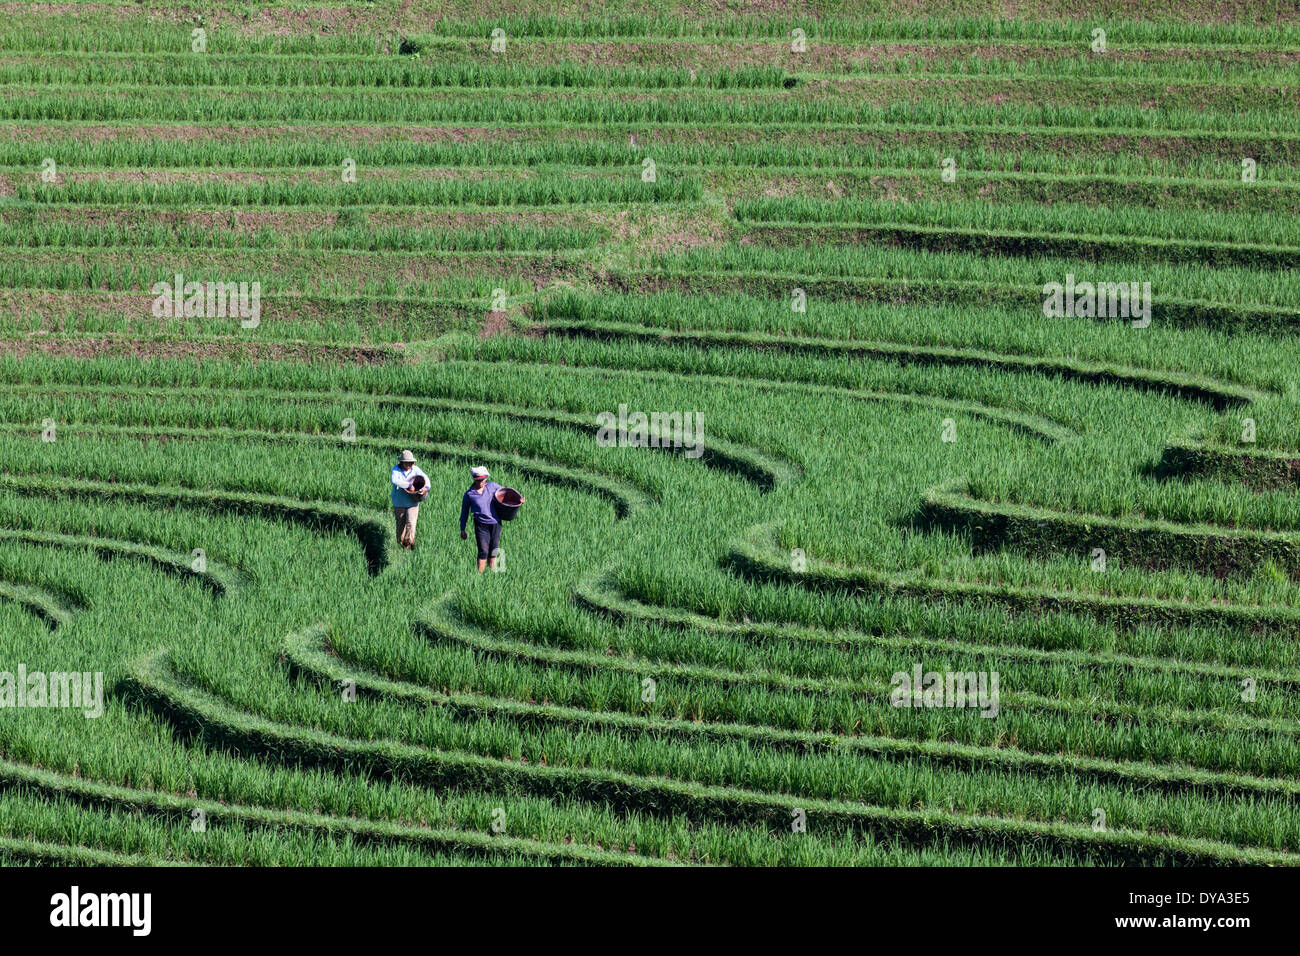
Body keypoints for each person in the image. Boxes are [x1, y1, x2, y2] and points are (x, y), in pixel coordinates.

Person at [459, 465, 503, 572]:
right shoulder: (469, 494)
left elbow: (506, 493)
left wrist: (519, 499)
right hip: (481, 525)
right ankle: (480, 575)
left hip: (495, 523)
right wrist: (462, 529)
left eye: (482, 480)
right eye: (477, 480)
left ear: (486, 479)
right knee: (483, 550)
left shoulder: (492, 486)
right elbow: (464, 512)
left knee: (494, 549)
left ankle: (493, 572)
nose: (480, 482)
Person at [391, 450, 428, 550]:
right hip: (399, 502)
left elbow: (426, 479)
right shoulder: (396, 469)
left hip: (413, 502)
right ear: (401, 462)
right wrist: (409, 485)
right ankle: (400, 545)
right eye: (406, 462)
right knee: (400, 525)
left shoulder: (416, 469)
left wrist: (426, 488)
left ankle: (409, 545)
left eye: (410, 462)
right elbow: (394, 480)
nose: (408, 464)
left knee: (411, 523)